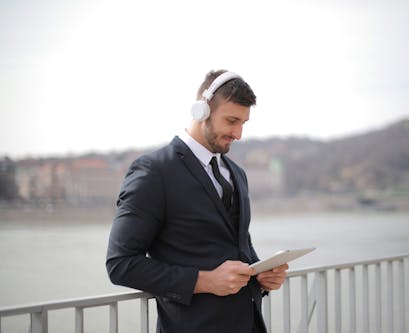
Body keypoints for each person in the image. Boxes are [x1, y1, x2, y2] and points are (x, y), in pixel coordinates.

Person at [106, 69, 288, 333]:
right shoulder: (154, 172)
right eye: (231, 121)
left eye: (243, 124)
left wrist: (261, 275)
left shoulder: (237, 173)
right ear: (201, 112)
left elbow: (240, 246)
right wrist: (205, 281)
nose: (238, 134)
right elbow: (120, 264)